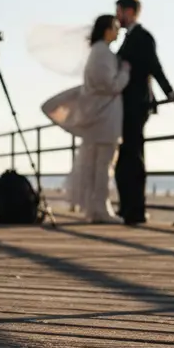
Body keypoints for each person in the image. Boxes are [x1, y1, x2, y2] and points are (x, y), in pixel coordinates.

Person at [41, 15, 131, 222]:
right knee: (103, 165)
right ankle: (100, 208)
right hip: (105, 117)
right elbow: (110, 85)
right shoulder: (102, 53)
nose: (118, 32)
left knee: (95, 164)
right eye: (115, 28)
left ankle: (95, 208)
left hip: (99, 116)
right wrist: (125, 72)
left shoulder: (97, 52)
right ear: (107, 30)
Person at [114, 0, 174, 225]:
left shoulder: (143, 37)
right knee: (126, 157)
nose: (117, 17)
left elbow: (154, 65)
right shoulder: (129, 38)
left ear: (130, 12)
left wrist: (169, 91)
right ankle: (127, 207)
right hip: (126, 104)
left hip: (137, 103)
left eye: (120, 12)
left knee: (133, 155)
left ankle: (135, 209)